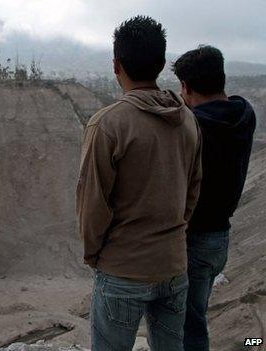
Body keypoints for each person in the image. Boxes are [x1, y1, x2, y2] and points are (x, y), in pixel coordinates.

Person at [76, 16, 202, 350]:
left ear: (116, 64)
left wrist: (95, 255)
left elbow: (93, 204)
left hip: (123, 269)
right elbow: (192, 189)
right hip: (174, 265)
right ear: (161, 64)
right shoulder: (187, 119)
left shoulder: (108, 124)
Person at [173, 45, 256, 351]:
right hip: (219, 239)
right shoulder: (244, 115)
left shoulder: (193, 126)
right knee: (194, 317)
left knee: (188, 328)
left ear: (185, 87)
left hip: (193, 239)